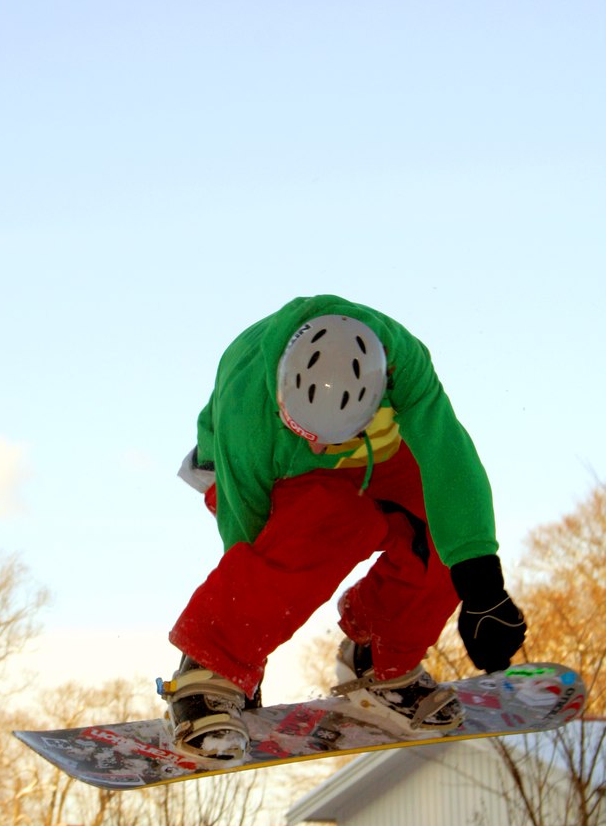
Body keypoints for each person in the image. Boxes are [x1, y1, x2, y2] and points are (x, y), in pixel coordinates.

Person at [159, 295, 526, 760]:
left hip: (373, 456)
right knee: (329, 522)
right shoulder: (247, 406)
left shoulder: (402, 363)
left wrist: (484, 588)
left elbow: (449, 460)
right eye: (305, 432)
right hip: (264, 471)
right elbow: (246, 529)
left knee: (440, 528)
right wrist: (245, 652)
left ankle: (379, 653)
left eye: (325, 438)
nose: (316, 447)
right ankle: (206, 673)